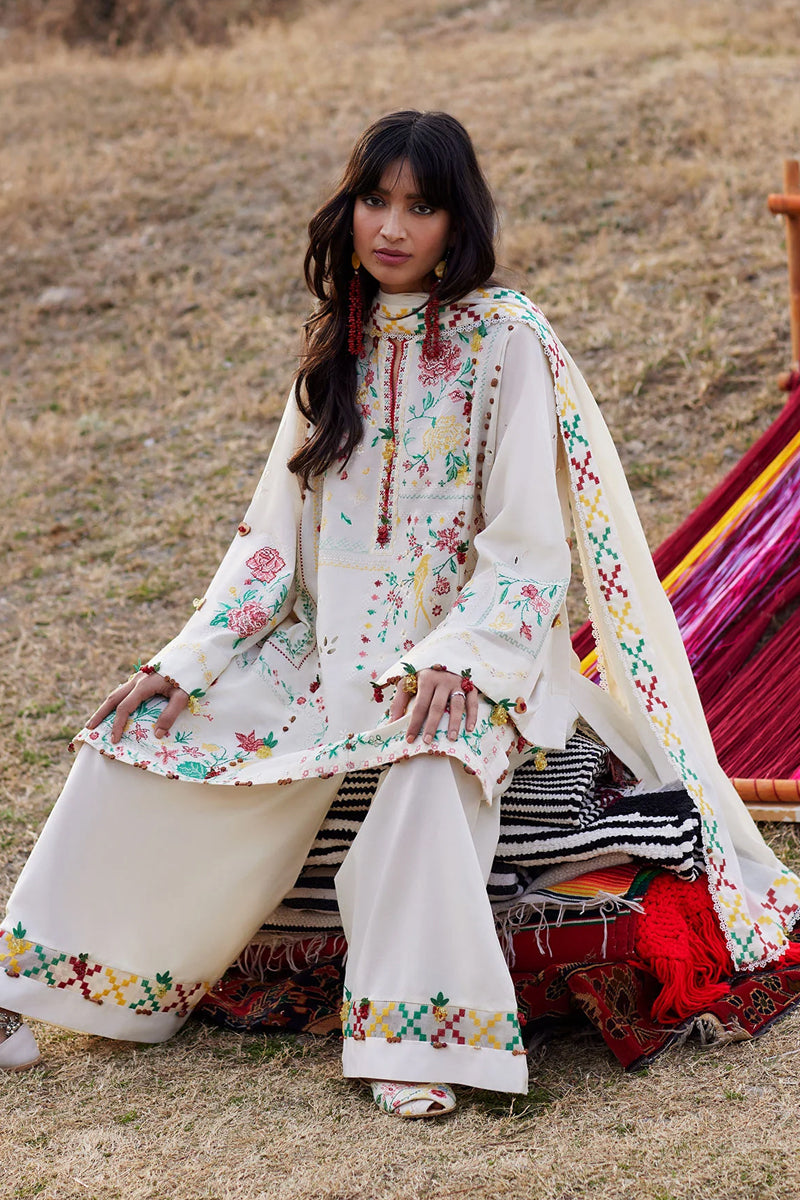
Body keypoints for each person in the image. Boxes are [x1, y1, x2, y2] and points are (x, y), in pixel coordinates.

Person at [1, 111, 799, 1117]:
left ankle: (412, 1038)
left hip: (474, 655)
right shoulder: (330, 346)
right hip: (319, 656)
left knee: (430, 765)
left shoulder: (506, 340)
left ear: (456, 222)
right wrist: (188, 661)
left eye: (419, 207)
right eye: (375, 201)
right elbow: (268, 546)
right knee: (135, 735)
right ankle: (23, 989)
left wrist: (457, 657)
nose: (391, 227)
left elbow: (526, 547)